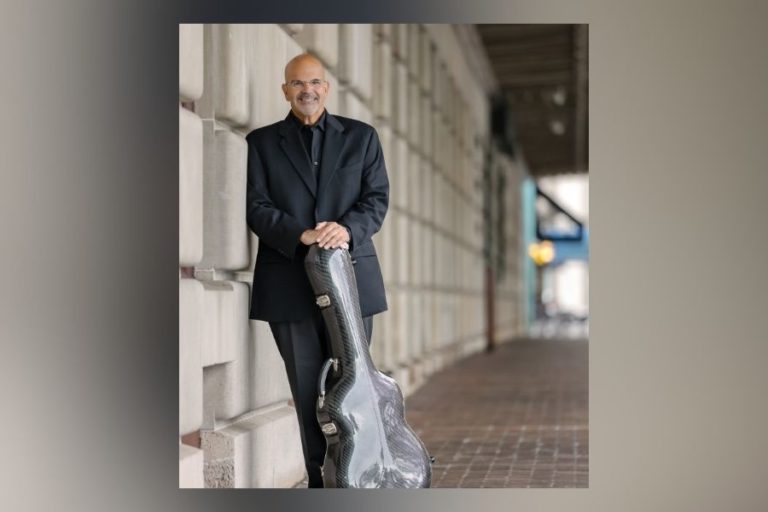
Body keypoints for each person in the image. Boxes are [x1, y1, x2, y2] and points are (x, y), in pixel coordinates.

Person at [245, 53, 389, 488]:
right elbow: (255, 206)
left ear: (326, 87)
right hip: (288, 284)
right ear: (284, 89)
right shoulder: (261, 143)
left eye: (314, 82)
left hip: (352, 283)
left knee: (356, 387)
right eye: (296, 83)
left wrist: (344, 228)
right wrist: (300, 234)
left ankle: (362, 475)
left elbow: (376, 199)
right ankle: (319, 481)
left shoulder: (361, 138)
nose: (306, 90)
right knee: (308, 391)